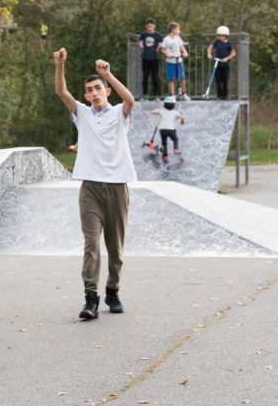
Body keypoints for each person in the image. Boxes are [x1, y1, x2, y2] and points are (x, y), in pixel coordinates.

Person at [54, 48, 136, 321]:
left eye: (98, 88)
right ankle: (91, 298)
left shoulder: (118, 114)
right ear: (87, 95)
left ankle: (113, 291)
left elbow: (130, 99)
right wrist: (60, 66)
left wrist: (108, 75)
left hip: (117, 188)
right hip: (89, 189)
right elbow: (62, 94)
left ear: (106, 91)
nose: (94, 92)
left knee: (116, 248)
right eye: (90, 90)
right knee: (91, 245)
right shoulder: (83, 114)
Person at [159, 21, 190, 100]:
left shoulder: (177, 38)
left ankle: (184, 93)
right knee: (171, 78)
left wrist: (185, 52)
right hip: (171, 61)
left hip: (179, 60)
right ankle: (172, 94)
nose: (179, 31)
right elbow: (162, 49)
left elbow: (181, 46)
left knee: (182, 77)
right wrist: (167, 54)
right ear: (173, 30)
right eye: (178, 29)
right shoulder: (166, 39)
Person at [137, 17, 163, 99]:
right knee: (145, 77)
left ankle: (156, 95)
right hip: (145, 58)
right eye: (148, 26)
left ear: (154, 26)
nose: (150, 28)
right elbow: (139, 40)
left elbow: (162, 42)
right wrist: (141, 45)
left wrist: (158, 47)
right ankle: (145, 95)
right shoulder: (144, 34)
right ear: (146, 26)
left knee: (155, 77)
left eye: (151, 26)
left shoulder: (157, 35)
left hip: (154, 58)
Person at [151, 95, 185, 161]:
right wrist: (182, 122)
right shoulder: (175, 112)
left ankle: (165, 156)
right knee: (175, 139)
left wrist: (157, 110)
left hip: (162, 130)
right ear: (174, 105)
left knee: (164, 143)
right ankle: (175, 149)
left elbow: (153, 112)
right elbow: (182, 117)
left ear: (164, 104)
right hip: (171, 130)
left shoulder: (161, 111)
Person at [207, 26, 236, 100]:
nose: (220, 37)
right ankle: (219, 96)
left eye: (222, 36)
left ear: (226, 36)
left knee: (225, 81)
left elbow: (233, 53)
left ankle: (225, 96)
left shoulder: (228, 44)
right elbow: (210, 48)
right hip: (218, 65)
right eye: (219, 35)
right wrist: (209, 54)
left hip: (225, 65)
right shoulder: (216, 42)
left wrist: (227, 58)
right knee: (218, 81)